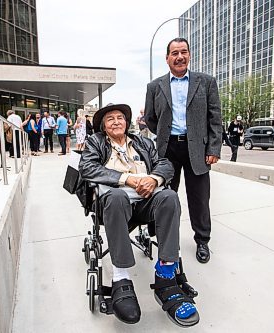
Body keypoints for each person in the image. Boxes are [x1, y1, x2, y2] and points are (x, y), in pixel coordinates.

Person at [79, 104, 199, 327]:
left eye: (120, 118)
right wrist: (128, 179)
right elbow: (87, 168)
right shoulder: (96, 142)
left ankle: (166, 278)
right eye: (110, 119)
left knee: (169, 197)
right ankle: (120, 277)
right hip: (115, 202)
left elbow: (164, 164)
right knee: (116, 198)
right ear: (103, 127)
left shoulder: (143, 142)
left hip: (146, 201)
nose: (116, 122)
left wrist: (154, 179)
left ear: (127, 122)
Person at [145, 37, 222, 264]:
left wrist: (214, 147)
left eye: (184, 52)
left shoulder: (206, 82)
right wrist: (164, 135)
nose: (180, 57)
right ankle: (168, 240)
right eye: (175, 53)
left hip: (197, 148)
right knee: (166, 196)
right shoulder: (154, 86)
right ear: (167, 58)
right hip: (168, 149)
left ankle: (202, 241)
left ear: (189, 55)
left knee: (199, 198)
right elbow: (150, 119)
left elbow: (215, 119)